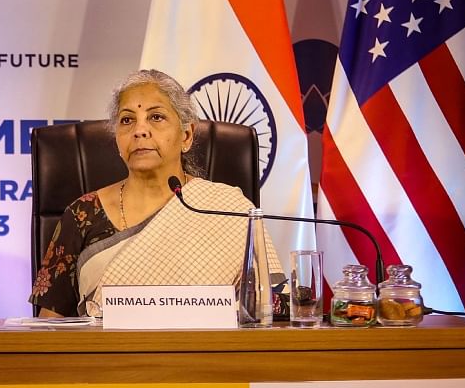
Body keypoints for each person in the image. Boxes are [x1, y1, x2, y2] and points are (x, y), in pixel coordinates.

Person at [30, 69, 281, 318]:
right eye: (127, 120)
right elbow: (49, 329)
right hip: (106, 357)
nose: (140, 130)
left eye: (156, 117)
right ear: (117, 139)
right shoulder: (82, 214)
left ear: (186, 135)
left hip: (210, 355)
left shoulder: (227, 208)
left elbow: (268, 310)